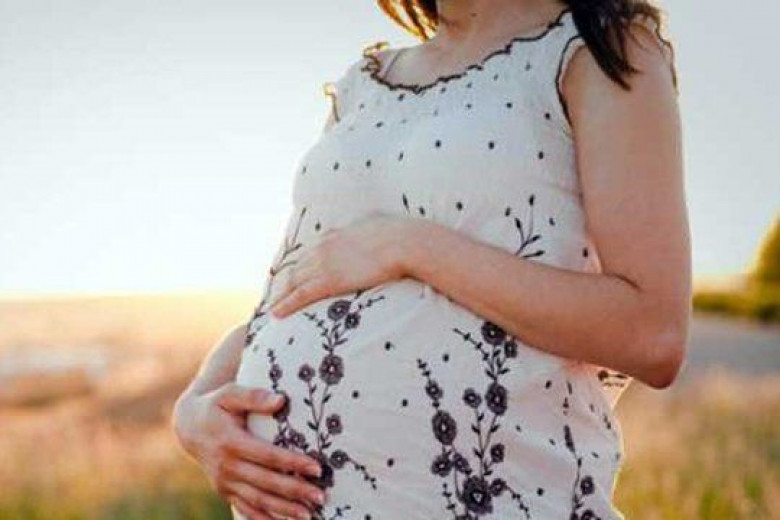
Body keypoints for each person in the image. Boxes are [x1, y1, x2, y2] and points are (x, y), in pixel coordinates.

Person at [173, 0, 690, 518]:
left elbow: (652, 334)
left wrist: (409, 246)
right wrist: (194, 409)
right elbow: (292, 292)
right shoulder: (362, 86)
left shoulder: (596, 51)